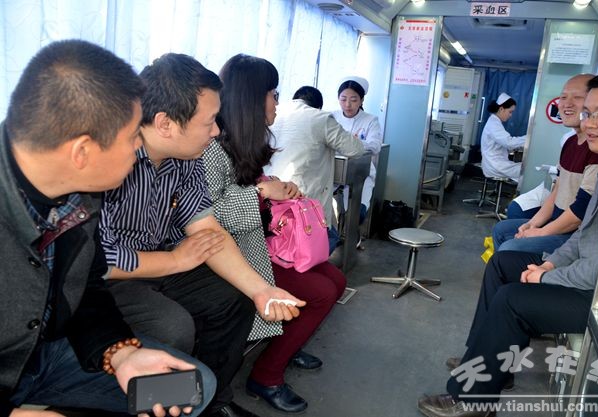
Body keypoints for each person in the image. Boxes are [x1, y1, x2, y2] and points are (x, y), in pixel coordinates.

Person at [1, 40, 215, 417]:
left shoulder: (82, 193)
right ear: (82, 152)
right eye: (133, 137)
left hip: (45, 352)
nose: (139, 147)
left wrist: (119, 352)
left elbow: (85, 287)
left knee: (192, 388)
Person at [99, 53, 305, 417]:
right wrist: (175, 260)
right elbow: (98, 260)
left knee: (235, 301)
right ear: (165, 124)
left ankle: (208, 402)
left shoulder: (187, 158)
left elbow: (207, 229)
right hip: (110, 279)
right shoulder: (110, 159)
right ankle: (164, 404)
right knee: (172, 326)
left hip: (162, 262)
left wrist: (261, 290)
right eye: (209, 122)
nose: (215, 132)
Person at [417, 69, 598, 417]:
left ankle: (473, 400)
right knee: (502, 263)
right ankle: (483, 360)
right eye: (588, 112)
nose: (590, 122)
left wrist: (546, 276)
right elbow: (583, 236)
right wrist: (550, 262)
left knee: (512, 299)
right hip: (588, 276)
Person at [203, 54, 347, 413]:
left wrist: (273, 186)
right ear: (252, 99)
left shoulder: (240, 142)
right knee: (320, 292)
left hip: (259, 243)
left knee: (336, 280)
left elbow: (244, 186)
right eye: (273, 93)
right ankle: (266, 375)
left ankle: (289, 344)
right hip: (235, 254)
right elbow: (207, 213)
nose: (277, 102)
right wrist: (262, 192)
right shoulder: (211, 146)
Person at [492, 74, 598, 255]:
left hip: (574, 234)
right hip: (556, 220)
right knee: (501, 230)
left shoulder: (597, 149)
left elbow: (580, 212)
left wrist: (540, 232)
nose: (567, 104)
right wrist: (532, 224)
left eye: (577, 97)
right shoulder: (569, 143)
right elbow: (556, 191)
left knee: (509, 248)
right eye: (563, 97)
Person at [265, 86, 365, 253]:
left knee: (279, 238)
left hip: (271, 190)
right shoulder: (321, 118)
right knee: (327, 237)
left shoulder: (275, 111)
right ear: (318, 106)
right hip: (300, 197)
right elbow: (356, 149)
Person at [332, 76, 383, 227]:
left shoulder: (370, 120)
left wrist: (350, 143)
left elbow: (375, 146)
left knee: (356, 215)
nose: (347, 104)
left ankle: (353, 235)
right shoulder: (331, 117)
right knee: (325, 211)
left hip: (361, 171)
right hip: (334, 169)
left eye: (353, 100)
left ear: (361, 100)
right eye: (343, 99)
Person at [480, 92, 527, 182]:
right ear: (501, 109)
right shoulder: (494, 124)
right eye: (510, 112)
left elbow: (503, 144)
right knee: (527, 170)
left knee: (524, 168)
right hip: (495, 165)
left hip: (495, 163)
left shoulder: (495, 122)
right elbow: (509, 143)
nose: (511, 115)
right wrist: (529, 138)